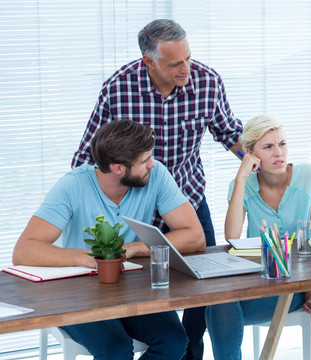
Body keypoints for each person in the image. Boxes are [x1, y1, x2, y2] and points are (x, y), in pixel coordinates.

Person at [71, 19, 243, 359]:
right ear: (148, 61)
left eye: (189, 58)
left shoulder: (207, 82)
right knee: (137, 288)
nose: (187, 69)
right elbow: (87, 158)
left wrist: (261, 162)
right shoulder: (118, 89)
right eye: (175, 63)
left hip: (187, 202)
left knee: (201, 294)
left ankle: (189, 352)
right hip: (134, 209)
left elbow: (230, 135)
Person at [13, 120, 206, 360]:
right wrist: (94, 258)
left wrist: (132, 248)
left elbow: (195, 236)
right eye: (145, 160)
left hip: (133, 288)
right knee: (115, 350)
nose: (152, 164)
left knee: (175, 341)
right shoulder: (73, 185)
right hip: (79, 291)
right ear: (118, 168)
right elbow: (24, 250)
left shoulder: (156, 176)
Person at [205, 115, 311, 360]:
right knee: (218, 303)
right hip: (256, 284)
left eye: (282, 144)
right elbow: (232, 236)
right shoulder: (244, 185)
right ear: (250, 153)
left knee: (216, 308)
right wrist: (241, 177)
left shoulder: (309, 177)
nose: (278, 153)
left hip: (296, 285)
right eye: (268, 147)